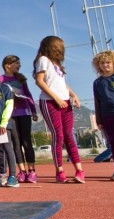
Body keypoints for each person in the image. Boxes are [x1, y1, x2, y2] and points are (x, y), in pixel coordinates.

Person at [33, 36, 84, 184]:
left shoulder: (57, 64)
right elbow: (39, 81)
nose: (62, 49)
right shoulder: (43, 60)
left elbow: (62, 84)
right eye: (59, 46)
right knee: (58, 135)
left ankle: (79, 170)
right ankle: (59, 171)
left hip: (65, 102)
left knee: (69, 135)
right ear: (52, 46)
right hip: (50, 103)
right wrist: (56, 98)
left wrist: (73, 95)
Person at [0, 55, 38, 183]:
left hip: (25, 112)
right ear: (8, 65)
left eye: (19, 63)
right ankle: (22, 171)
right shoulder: (0, 80)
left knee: (27, 142)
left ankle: (32, 171)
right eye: (17, 63)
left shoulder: (21, 79)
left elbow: (28, 94)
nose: (19, 65)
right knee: (16, 143)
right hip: (10, 114)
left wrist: (33, 110)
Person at [92, 50, 114, 181]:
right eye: (102, 63)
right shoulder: (98, 82)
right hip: (108, 116)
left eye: (108, 62)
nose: (105, 65)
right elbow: (97, 102)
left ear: (113, 63)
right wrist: (99, 120)